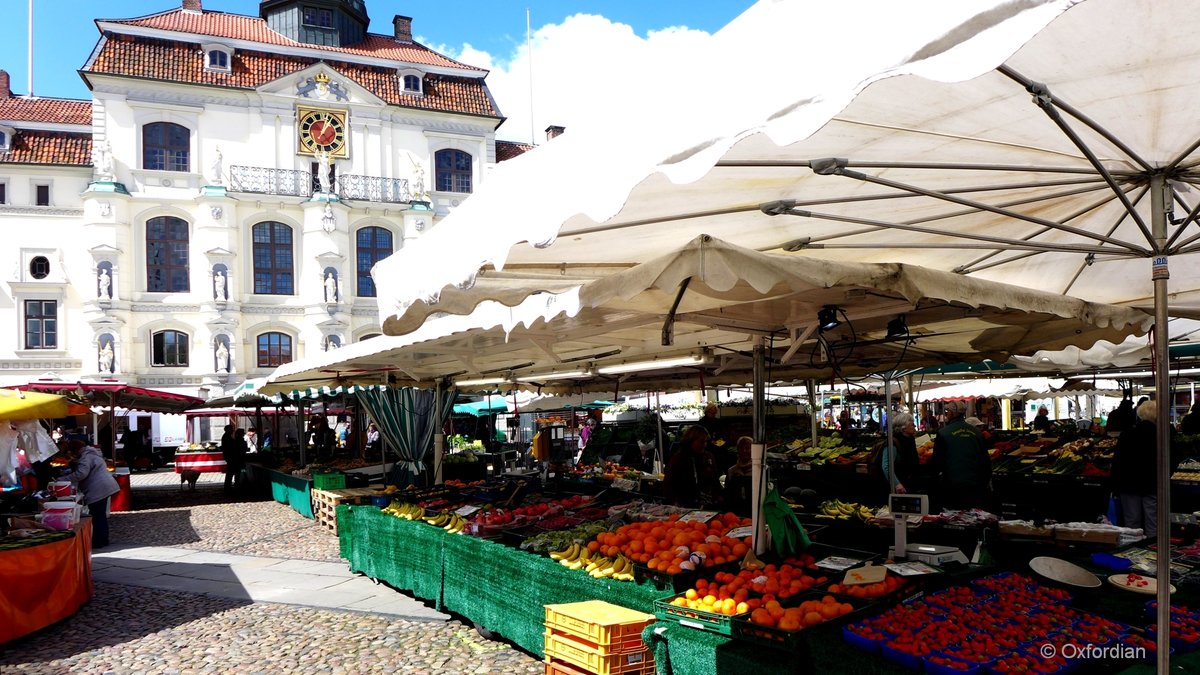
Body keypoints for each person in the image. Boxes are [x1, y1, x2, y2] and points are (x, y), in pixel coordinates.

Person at [60, 439, 120, 549]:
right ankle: (103, 539)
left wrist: (63, 479)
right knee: (100, 514)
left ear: (76, 450)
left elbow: (81, 474)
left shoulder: (85, 457)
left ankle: (98, 541)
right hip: (105, 486)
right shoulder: (92, 453)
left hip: (98, 488)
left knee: (97, 515)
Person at [932, 400, 991, 510]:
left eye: (947, 411)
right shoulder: (977, 433)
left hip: (952, 484)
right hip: (975, 483)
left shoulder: (943, 433)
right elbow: (985, 460)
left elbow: (937, 462)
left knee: (955, 517)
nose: (946, 414)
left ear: (952, 413)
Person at [1114, 400, 1159, 537]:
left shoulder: (1127, 433)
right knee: (1153, 522)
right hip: (1153, 483)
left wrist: (1115, 484)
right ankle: (1154, 551)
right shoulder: (1162, 433)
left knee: (1132, 524)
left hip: (1129, 484)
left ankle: (1133, 551)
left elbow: (1118, 460)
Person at [663, 425, 722, 508]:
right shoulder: (679, 459)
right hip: (686, 508)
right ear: (691, 441)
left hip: (709, 506)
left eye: (705, 441)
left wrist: (718, 496)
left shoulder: (709, 457)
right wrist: (676, 502)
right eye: (701, 442)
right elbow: (668, 485)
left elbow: (715, 481)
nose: (704, 445)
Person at [882, 412, 920, 495]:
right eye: (912, 424)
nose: (915, 426)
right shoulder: (893, 443)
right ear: (903, 428)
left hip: (910, 482)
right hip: (900, 486)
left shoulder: (910, 439)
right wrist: (897, 484)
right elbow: (886, 466)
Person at [722, 436, 754, 517]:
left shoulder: (760, 470)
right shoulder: (731, 471)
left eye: (747, 448)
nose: (744, 451)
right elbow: (727, 496)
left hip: (754, 513)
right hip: (735, 515)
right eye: (741, 448)